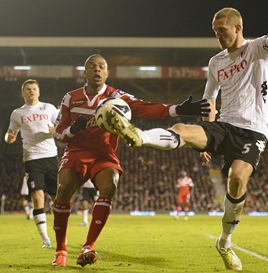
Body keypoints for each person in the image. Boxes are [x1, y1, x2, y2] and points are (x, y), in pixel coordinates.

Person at [109, 2, 268, 271]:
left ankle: (225, 241)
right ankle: (139, 136)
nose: (217, 36)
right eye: (214, 31)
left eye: (221, 30)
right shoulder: (216, 62)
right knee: (183, 130)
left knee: (237, 178)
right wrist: (207, 134)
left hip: (253, 130)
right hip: (223, 125)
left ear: (237, 27)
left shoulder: (257, 49)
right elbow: (209, 100)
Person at [51, 54, 210, 267]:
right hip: (76, 152)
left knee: (110, 184)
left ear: (107, 73)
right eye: (92, 66)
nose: (97, 70)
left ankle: (88, 246)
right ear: (85, 72)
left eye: (101, 67)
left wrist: (177, 109)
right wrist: (73, 129)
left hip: (104, 154)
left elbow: (143, 107)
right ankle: (61, 250)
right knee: (63, 190)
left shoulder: (115, 96)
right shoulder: (70, 98)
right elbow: (59, 134)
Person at [5, 78, 59, 248]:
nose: (31, 91)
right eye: (27, 89)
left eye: (34, 88)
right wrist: (9, 138)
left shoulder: (49, 108)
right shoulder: (17, 113)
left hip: (51, 156)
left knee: (58, 199)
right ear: (23, 93)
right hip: (32, 158)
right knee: (37, 196)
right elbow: (9, 135)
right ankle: (45, 238)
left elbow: (62, 129)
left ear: (38, 91)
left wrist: (55, 131)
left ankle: (60, 232)